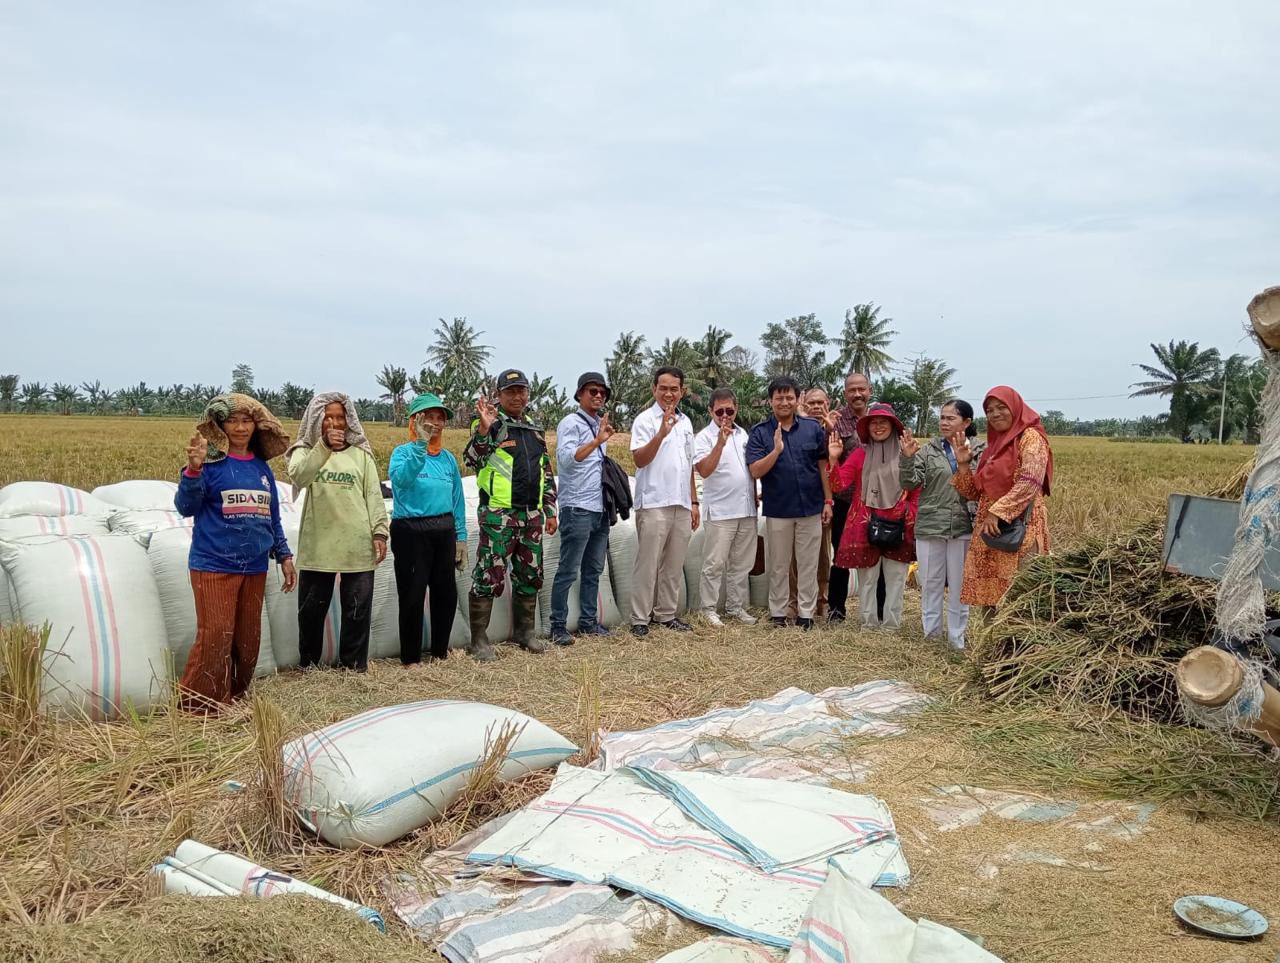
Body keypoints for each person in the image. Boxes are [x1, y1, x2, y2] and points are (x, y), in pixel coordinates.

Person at [175, 393, 295, 710]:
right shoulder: (211, 465)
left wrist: (284, 555)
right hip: (214, 564)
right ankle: (198, 707)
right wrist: (193, 470)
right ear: (220, 425)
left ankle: (234, 698)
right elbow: (185, 507)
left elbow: (272, 517)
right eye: (232, 421)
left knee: (247, 640)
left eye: (247, 421)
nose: (240, 428)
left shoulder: (261, 469)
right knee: (215, 637)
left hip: (254, 566)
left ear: (256, 426)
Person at [286, 392, 389, 671]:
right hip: (319, 545)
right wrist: (323, 447)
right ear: (316, 420)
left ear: (348, 421)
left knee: (357, 610)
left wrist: (380, 532)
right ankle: (309, 666)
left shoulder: (361, 456)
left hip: (356, 544)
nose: (333, 422)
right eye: (327, 417)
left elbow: (373, 496)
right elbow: (299, 476)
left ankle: (353, 667)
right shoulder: (304, 451)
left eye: (339, 417)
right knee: (311, 611)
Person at [465, 369, 558, 660]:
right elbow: (472, 459)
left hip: (530, 517)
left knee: (529, 575)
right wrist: (483, 429)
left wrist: (550, 509)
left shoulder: (534, 429)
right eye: (510, 392)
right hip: (499, 516)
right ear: (499, 395)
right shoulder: (490, 426)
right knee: (488, 576)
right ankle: (479, 641)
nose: (517, 396)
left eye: (522, 391)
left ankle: (524, 633)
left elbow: (546, 471)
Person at [950, 387, 1053, 608]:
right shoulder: (994, 447)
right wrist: (964, 466)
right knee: (991, 599)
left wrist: (997, 512)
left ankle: (1019, 644)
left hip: (1020, 530)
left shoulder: (1031, 437)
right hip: (991, 531)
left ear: (1015, 407)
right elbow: (974, 493)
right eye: (989, 410)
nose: (994, 414)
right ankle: (993, 643)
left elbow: (1030, 482)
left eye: (1001, 407)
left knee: (1022, 599)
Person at [746, 376, 832, 629]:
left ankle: (806, 613)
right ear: (770, 401)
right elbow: (755, 471)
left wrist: (828, 500)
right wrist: (775, 451)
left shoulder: (812, 428)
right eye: (779, 397)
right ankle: (779, 612)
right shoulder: (761, 432)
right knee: (779, 564)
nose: (784, 402)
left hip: (811, 507)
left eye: (789, 397)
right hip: (779, 509)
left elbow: (822, 466)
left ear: (797, 400)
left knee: (808, 563)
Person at [389, 393, 467, 664]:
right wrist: (421, 444)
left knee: (445, 593)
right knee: (412, 593)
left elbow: (457, 500)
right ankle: (410, 658)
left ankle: (439, 653)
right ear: (415, 421)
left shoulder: (447, 459)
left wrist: (461, 538)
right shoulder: (402, 453)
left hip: (443, 530)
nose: (435, 423)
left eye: (439, 418)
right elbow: (402, 480)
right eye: (428, 417)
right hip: (411, 531)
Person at [827, 403, 919, 630]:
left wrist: (909, 513)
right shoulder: (860, 454)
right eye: (874, 423)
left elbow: (916, 489)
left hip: (898, 524)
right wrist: (833, 460)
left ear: (893, 426)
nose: (878, 427)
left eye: (883, 422)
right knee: (867, 579)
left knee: (896, 579)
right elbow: (839, 485)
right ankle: (868, 624)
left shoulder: (905, 453)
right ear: (867, 428)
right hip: (864, 523)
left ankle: (891, 625)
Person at [901, 400, 983, 650]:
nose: (944, 422)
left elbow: (980, 487)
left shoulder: (980, 450)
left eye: (951, 418)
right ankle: (932, 636)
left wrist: (965, 464)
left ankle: (957, 639)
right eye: (942, 417)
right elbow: (909, 483)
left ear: (966, 422)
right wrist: (906, 458)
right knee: (931, 583)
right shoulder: (928, 450)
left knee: (960, 586)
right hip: (930, 526)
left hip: (963, 526)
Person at [629, 366, 700, 636]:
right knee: (647, 564)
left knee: (673, 564)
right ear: (654, 390)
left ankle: (666, 614)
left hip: (681, 503)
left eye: (674, 389)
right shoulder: (645, 420)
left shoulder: (686, 423)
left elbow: (689, 465)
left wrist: (693, 502)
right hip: (653, 502)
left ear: (682, 392)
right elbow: (639, 459)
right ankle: (639, 618)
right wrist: (660, 433)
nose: (668, 393)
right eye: (663, 388)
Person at [549, 372, 615, 646]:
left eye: (602, 392)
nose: (598, 396)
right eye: (592, 391)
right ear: (579, 395)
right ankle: (557, 626)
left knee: (593, 570)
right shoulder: (571, 423)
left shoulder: (599, 426)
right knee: (568, 570)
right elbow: (566, 460)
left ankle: (588, 622)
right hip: (576, 508)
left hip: (598, 508)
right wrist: (597, 441)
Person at [693, 387, 758, 627]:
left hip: (747, 509)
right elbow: (704, 470)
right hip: (720, 511)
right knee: (714, 563)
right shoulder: (703, 437)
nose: (724, 415)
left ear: (736, 409)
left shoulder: (744, 435)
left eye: (729, 410)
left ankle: (736, 607)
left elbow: (751, 469)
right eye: (719, 411)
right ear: (710, 410)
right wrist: (719, 443)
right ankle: (708, 609)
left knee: (741, 564)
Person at [824, 372, 873, 622]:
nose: (857, 394)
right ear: (845, 394)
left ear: (870, 391)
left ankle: (875, 610)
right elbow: (829, 459)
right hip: (845, 501)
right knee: (841, 556)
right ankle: (836, 610)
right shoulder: (836, 421)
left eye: (861, 389)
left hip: (876, 502)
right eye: (852, 390)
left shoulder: (880, 418)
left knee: (875, 556)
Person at [787, 387, 834, 619]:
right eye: (812, 403)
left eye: (820, 403)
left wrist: (828, 500)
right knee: (795, 556)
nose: (816, 407)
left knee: (822, 555)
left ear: (829, 403)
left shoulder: (835, 427)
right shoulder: (797, 427)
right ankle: (794, 601)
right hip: (796, 501)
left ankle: (821, 600)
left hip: (823, 502)